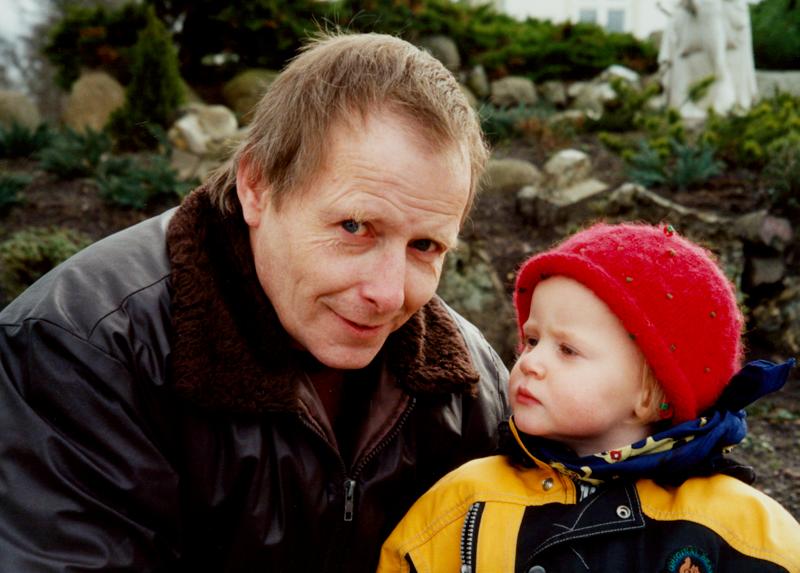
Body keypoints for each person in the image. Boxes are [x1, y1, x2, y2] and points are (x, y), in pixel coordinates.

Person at [0, 33, 509, 572]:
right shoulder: (81, 350)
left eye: (425, 246)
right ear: (256, 186)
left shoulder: (470, 388)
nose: (387, 293)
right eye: (354, 227)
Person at [377, 222, 800, 572]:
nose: (530, 362)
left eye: (567, 350)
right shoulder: (466, 501)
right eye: (532, 340)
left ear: (652, 395)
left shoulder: (742, 532)